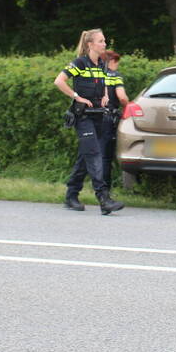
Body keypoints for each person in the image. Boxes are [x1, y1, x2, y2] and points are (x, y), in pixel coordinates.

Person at [54, 29, 125, 215]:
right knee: (94, 154)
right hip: (83, 116)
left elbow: (103, 84)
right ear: (90, 44)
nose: (104, 44)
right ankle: (103, 199)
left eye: (104, 41)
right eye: (101, 41)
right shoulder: (80, 63)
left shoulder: (102, 64)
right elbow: (59, 81)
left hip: (99, 115)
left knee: (86, 156)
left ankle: (71, 195)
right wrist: (76, 96)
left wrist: (104, 96)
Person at [101, 50, 129, 190]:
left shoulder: (96, 74)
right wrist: (128, 108)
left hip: (94, 116)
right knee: (106, 157)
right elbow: (122, 97)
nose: (118, 65)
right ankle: (105, 190)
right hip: (109, 118)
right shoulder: (115, 76)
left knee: (93, 153)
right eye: (117, 62)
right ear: (111, 61)